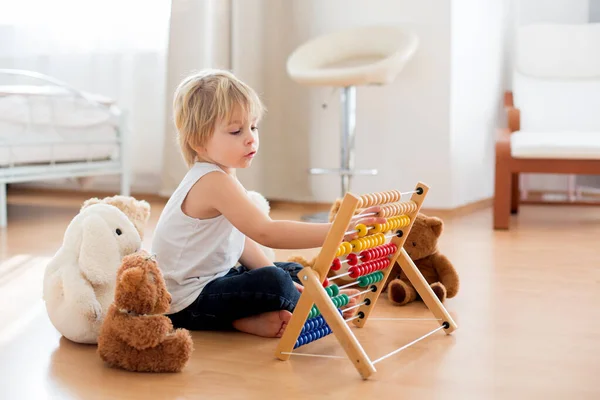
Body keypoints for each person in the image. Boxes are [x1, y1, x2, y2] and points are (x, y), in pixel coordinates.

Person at [151, 69, 385, 338]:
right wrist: (338, 230)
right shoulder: (212, 182)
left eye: (253, 126)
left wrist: (279, 273)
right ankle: (304, 310)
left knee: (295, 273)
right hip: (184, 303)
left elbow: (241, 240)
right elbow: (267, 232)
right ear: (198, 143)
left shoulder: (224, 175)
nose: (251, 138)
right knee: (275, 283)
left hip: (216, 280)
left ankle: (251, 318)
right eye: (236, 131)